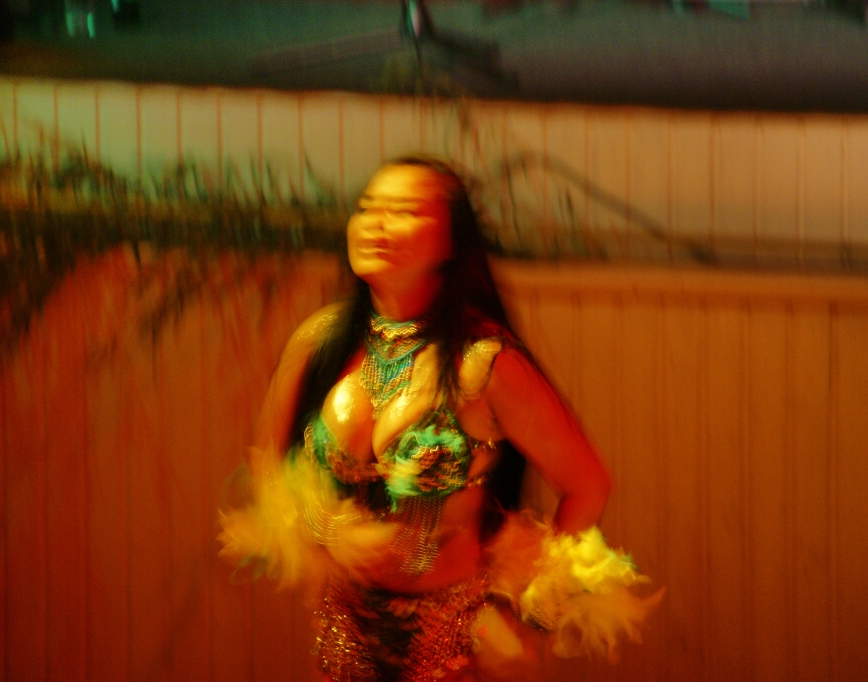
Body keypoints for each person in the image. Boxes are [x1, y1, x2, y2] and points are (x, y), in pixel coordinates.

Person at [221, 156, 656, 682]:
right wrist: (324, 527)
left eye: (404, 210)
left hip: (454, 650)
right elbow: (268, 468)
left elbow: (588, 485)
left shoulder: (483, 364)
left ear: (452, 243)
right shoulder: (319, 342)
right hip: (341, 643)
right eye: (368, 208)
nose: (377, 223)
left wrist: (528, 610)